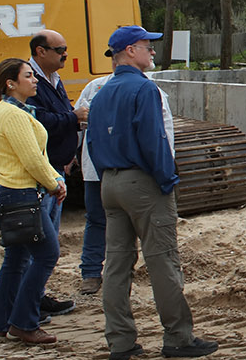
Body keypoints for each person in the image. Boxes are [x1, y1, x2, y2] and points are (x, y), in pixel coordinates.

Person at [89, 24, 217, 360]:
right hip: (142, 182)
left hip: (110, 182)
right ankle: (178, 335)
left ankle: (120, 341)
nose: (152, 52)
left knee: (116, 263)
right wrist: (166, 178)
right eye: (147, 46)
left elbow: (92, 141)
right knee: (162, 259)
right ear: (130, 51)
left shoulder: (100, 93)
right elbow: (153, 139)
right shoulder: (144, 90)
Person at [0, 56, 68, 346]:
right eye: (28, 76)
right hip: (21, 192)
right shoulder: (14, 115)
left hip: (13, 191)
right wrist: (54, 182)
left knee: (17, 258)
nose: (34, 80)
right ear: (11, 83)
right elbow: (31, 158)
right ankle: (24, 322)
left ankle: (4, 321)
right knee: (47, 253)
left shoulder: (9, 111)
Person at [73, 56, 175, 297]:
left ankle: (117, 282)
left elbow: (163, 133)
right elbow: (79, 122)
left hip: (118, 173)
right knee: (98, 221)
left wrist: (166, 167)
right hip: (106, 172)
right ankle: (91, 271)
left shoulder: (150, 90)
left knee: (124, 236)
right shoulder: (97, 88)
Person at [25, 30, 79, 320]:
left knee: (47, 240)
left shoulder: (54, 81)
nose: (64, 55)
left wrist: (67, 155)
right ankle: (28, 303)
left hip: (56, 168)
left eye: (65, 49)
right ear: (39, 51)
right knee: (40, 244)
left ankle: (36, 296)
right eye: (59, 50)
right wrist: (73, 118)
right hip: (44, 175)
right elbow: (40, 122)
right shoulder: (31, 86)